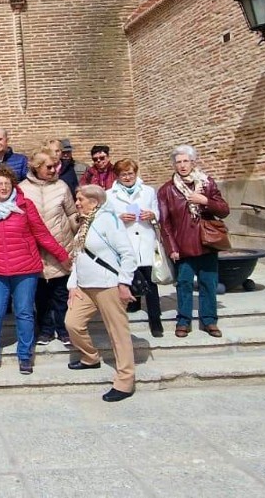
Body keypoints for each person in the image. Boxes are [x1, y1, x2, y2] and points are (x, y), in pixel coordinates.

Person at [0, 165, 69, 376]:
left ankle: (25, 356)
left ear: (13, 185)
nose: (3, 187)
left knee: (24, 313)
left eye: (7, 183)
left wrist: (63, 256)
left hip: (25, 268)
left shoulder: (25, 205)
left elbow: (42, 235)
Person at [66, 184, 138, 402]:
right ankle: (90, 357)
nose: (77, 203)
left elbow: (127, 254)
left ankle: (125, 381)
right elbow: (78, 257)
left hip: (108, 285)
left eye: (81, 199)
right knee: (72, 323)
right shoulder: (84, 223)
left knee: (118, 334)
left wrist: (124, 283)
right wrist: (73, 285)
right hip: (85, 286)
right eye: (77, 199)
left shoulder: (108, 220)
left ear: (95, 201)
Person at [157, 145, 230, 338]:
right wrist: (171, 247)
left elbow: (223, 210)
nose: (182, 165)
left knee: (208, 283)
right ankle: (183, 321)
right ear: (174, 165)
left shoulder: (207, 183)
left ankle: (209, 321)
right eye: (178, 162)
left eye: (185, 161)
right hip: (183, 246)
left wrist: (205, 201)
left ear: (193, 162)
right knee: (184, 284)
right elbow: (165, 223)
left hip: (207, 243)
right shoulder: (166, 190)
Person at [20, 149, 79, 348]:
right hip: (35, 250)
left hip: (61, 246)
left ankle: (63, 329)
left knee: (61, 293)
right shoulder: (22, 189)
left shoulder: (62, 186)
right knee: (41, 294)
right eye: (49, 167)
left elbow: (71, 214)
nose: (54, 170)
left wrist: (80, 229)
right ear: (37, 168)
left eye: (55, 166)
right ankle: (45, 329)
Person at [106, 158, 164, 337]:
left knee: (150, 281)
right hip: (126, 241)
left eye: (131, 173)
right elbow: (107, 217)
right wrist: (120, 217)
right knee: (128, 278)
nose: (128, 177)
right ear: (118, 176)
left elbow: (157, 213)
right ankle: (132, 305)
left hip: (145, 239)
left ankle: (156, 321)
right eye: (124, 174)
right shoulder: (109, 194)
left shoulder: (147, 191)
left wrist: (152, 214)